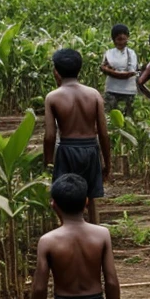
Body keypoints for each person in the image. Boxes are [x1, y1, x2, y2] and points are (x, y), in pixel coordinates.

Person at [44, 48, 110, 225]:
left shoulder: (52, 97)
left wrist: (48, 161)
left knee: (63, 195)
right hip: (90, 149)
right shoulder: (94, 94)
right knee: (91, 197)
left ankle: (67, 231)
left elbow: (50, 136)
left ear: (56, 72)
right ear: (79, 69)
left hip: (66, 150)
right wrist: (107, 163)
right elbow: (103, 133)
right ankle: (95, 231)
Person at [100, 23, 139, 118]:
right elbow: (104, 68)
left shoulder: (131, 53)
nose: (121, 42)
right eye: (118, 39)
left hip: (129, 91)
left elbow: (130, 72)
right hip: (111, 90)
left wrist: (112, 71)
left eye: (123, 39)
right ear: (114, 40)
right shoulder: (109, 53)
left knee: (128, 119)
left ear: (127, 38)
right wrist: (115, 72)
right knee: (110, 118)